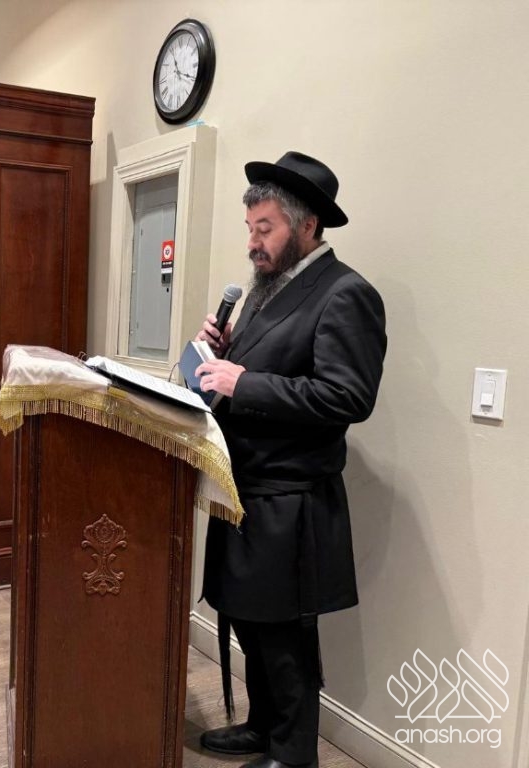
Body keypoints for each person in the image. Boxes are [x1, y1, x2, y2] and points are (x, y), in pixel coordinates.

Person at [194, 152, 387, 768]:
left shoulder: (346, 293)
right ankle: (262, 727)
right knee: (249, 620)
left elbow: (348, 397)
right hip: (245, 489)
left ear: (307, 226)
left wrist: (244, 380)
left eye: (266, 228)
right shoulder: (266, 290)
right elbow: (273, 365)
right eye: (250, 228)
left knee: (283, 635)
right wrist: (226, 352)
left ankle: (294, 753)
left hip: (291, 498)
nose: (254, 242)